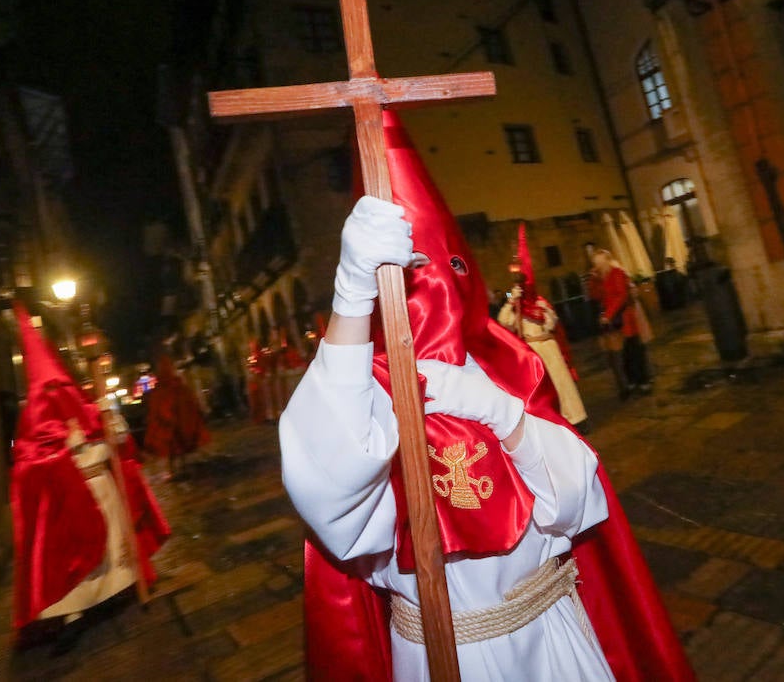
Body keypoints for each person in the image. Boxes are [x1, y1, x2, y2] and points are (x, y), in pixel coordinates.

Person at [279, 110, 692, 681]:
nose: (435, 287)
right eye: (411, 270)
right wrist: (351, 298)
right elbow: (329, 488)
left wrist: (504, 415)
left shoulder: (506, 363)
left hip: (552, 632)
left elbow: (577, 497)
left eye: (449, 264)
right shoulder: (354, 384)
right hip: (448, 651)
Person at [10, 303, 169, 650]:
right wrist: (60, 456)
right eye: (49, 393)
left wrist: (110, 427)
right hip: (66, 497)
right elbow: (27, 460)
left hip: (101, 485)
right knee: (74, 555)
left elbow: (116, 438)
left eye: (59, 390)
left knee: (113, 545)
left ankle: (116, 589)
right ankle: (74, 614)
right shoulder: (34, 423)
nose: (56, 398)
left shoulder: (84, 404)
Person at [498, 224, 588, 431]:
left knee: (562, 385)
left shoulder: (540, 302)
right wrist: (512, 301)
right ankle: (551, 422)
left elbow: (551, 322)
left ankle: (575, 418)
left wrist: (542, 312)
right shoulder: (514, 302)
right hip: (533, 352)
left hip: (549, 348)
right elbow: (504, 321)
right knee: (543, 388)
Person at [587, 248, 653, 399]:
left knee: (634, 349)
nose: (597, 266)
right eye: (596, 263)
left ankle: (642, 380)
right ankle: (631, 380)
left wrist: (609, 315)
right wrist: (593, 281)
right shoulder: (599, 278)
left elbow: (621, 296)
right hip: (612, 322)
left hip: (624, 319)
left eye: (599, 263)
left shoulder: (617, 273)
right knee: (620, 353)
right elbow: (596, 296)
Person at [143, 352, 211, 478]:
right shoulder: (174, 387)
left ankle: (175, 468)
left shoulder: (170, 388)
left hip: (173, 421)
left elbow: (182, 403)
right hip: (174, 422)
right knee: (176, 446)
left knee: (174, 447)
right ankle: (179, 466)